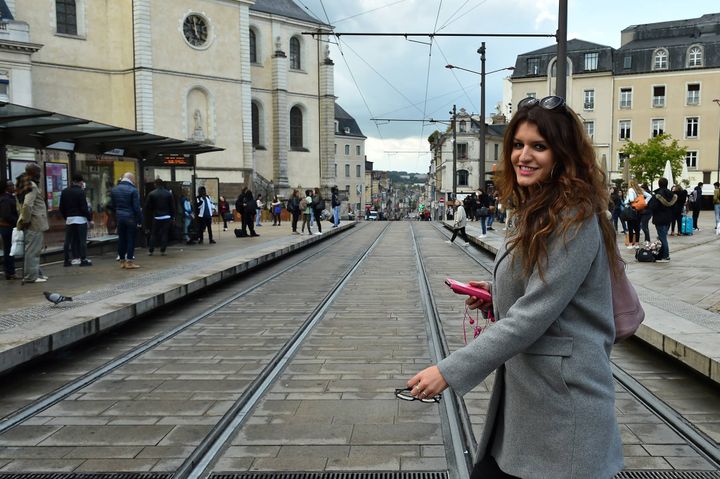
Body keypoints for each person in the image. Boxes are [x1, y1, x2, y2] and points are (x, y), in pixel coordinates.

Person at [406, 96, 623, 479]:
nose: (523, 155)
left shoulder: (574, 217)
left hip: (563, 407)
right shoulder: (537, 209)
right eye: (518, 145)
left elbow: (533, 315)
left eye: (538, 146)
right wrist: (495, 295)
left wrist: (449, 371)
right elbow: (545, 294)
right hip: (530, 401)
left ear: (562, 155)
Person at [15, 163, 50, 283]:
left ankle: (35, 273)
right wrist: (26, 220)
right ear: (32, 173)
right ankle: (31, 277)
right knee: (33, 251)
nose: (40, 174)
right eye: (38, 172)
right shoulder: (32, 186)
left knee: (33, 250)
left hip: (31, 221)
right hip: (34, 222)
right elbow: (27, 205)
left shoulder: (23, 183)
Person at [109, 172, 142, 269]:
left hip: (120, 217)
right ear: (131, 179)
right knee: (131, 239)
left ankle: (122, 261)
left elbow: (112, 205)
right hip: (130, 217)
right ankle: (130, 261)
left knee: (121, 238)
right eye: (134, 179)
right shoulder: (133, 190)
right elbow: (136, 207)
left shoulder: (115, 189)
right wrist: (140, 220)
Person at [59, 174, 93, 267]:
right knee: (82, 240)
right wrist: (89, 218)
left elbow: (61, 207)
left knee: (68, 241)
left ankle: (66, 260)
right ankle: (83, 259)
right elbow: (84, 208)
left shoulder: (65, 191)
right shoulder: (81, 192)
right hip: (81, 219)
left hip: (69, 219)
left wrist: (67, 217)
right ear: (81, 182)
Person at [649, 177, 677, 263]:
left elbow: (652, 206)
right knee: (663, 236)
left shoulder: (658, 195)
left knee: (662, 237)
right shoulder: (672, 195)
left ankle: (665, 255)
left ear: (659, 184)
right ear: (667, 184)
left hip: (659, 218)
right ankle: (663, 254)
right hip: (668, 219)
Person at [145, 178, 175, 256]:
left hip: (156, 216)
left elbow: (148, 206)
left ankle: (151, 250)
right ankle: (163, 250)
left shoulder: (152, 194)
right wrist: (173, 216)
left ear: (155, 184)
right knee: (164, 234)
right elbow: (172, 206)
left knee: (153, 234)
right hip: (167, 216)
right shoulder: (168, 194)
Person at [0, 180, 18, 280]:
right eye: (11, 185)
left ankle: (9, 271)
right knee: (9, 250)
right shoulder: (6, 199)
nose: (13, 187)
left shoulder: (7, 197)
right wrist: (17, 221)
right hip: (7, 227)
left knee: (8, 250)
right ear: (6, 188)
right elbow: (6, 215)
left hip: (6, 227)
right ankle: (10, 272)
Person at [624, 179, 645, 249]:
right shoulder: (639, 190)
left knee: (630, 228)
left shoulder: (630, 190)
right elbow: (647, 197)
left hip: (632, 210)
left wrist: (626, 201)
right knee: (637, 227)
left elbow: (631, 199)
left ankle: (630, 244)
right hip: (639, 210)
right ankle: (637, 244)